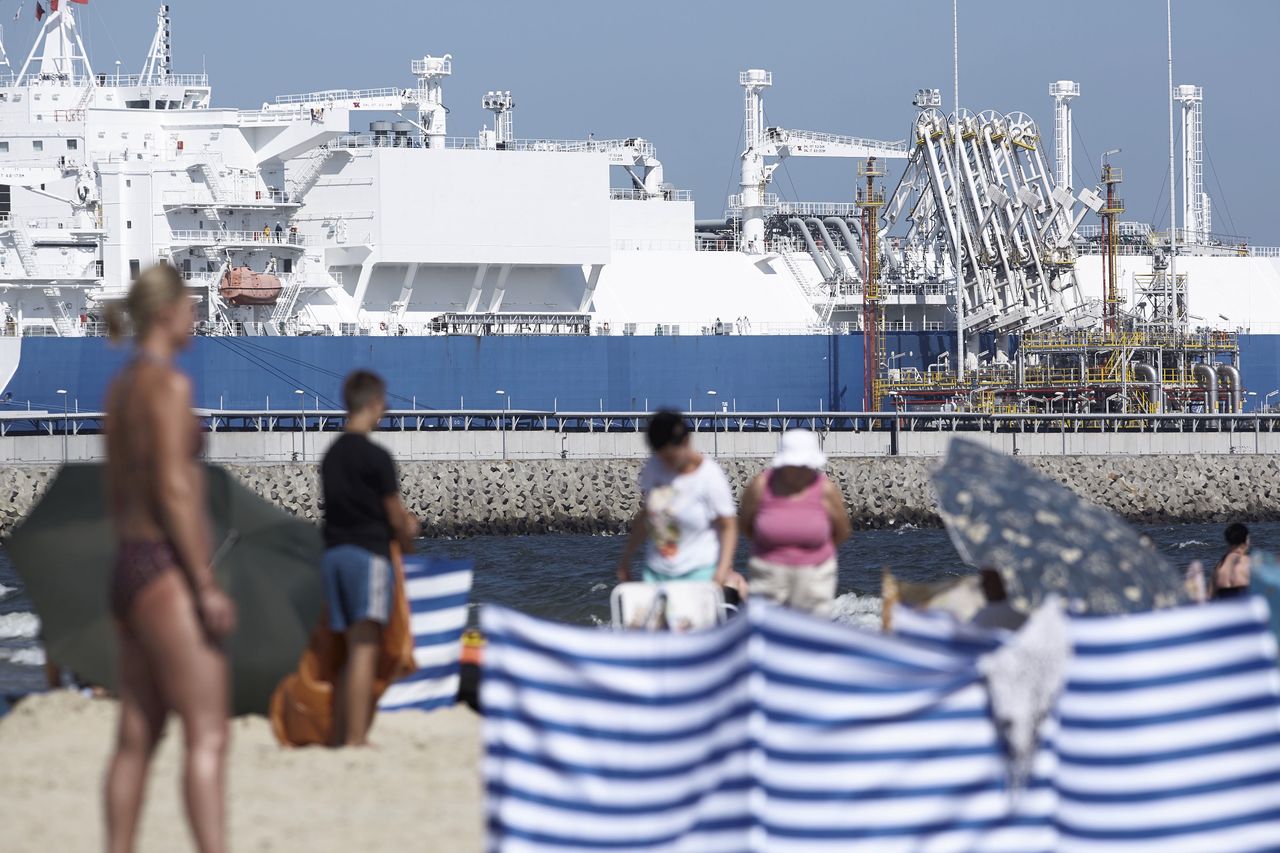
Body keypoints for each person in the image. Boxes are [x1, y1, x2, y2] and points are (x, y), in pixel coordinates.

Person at [103, 263, 237, 853]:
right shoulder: (169, 385)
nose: (196, 315)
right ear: (165, 315)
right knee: (208, 735)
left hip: (129, 563)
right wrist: (204, 584)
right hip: (167, 568)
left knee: (136, 735)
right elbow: (175, 488)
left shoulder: (122, 388)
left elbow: (114, 488)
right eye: (190, 306)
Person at [320, 370, 420, 746]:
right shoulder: (376, 456)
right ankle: (357, 738)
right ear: (375, 405)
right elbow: (395, 515)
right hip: (367, 555)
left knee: (345, 647)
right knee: (365, 646)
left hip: (333, 554)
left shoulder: (331, 455)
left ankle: (342, 729)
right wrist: (410, 537)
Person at [617, 410, 742, 591]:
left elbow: (728, 526)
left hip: (699, 573)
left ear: (686, 442)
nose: (666, 464)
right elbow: (649, 513)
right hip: (656, 572)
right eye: (662, 456)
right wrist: (626, 558)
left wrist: (721, 573)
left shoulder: (709, 475)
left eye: (671, 457)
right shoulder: (654, 467)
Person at [739, 429, 850, 616]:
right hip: (769, 573)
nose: (801, 471)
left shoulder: (825, 489)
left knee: (812, 636)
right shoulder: (761, 486)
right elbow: (745, 524)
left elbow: (842, 530)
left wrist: (814, 550)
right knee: (770, 634)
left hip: (815, 574)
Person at [1213, 522, 1252, 599]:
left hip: (1225, 607)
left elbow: (1209, 596)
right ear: (1246, 541)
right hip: (1243, 606)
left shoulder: (1219, 567)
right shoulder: (1248, 562)